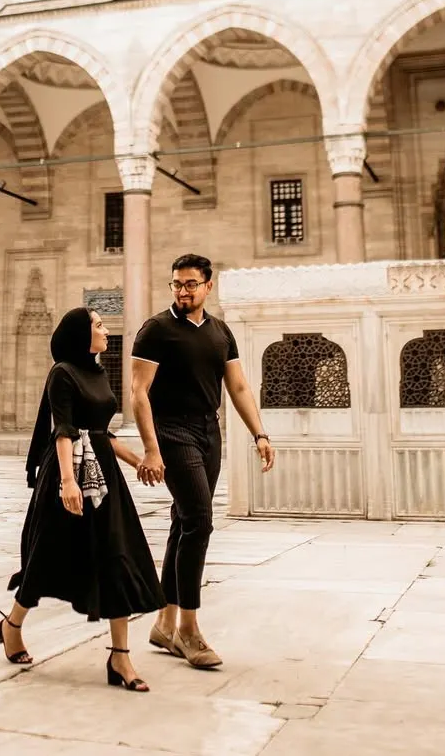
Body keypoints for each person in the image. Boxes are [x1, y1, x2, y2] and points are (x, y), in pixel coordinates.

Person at [0, 306, 164, 692]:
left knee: (117, 556)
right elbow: (64, 431)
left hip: (104, 478)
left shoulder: (99, 373)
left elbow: (101, 433)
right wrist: (68, 482)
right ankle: (12, 625)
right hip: (68, 475)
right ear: (80, 334)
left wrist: (139, 460)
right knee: (46, 558)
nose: (106, 331)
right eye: (99, 325)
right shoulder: (63, 374)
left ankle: (120, 656)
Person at [131, 253, 275, 670]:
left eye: (191, 284)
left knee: (184, 521)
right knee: (199, 520)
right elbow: (139, 393)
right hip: (171, 431)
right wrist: (151, 448)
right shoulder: (155, 330)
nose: (183, 291)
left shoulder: (220, 333)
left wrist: (259, 433)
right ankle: (188, 631)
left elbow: (239, 386)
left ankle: (164, 621)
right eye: (177, 284)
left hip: (208, 432)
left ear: (208, 286)